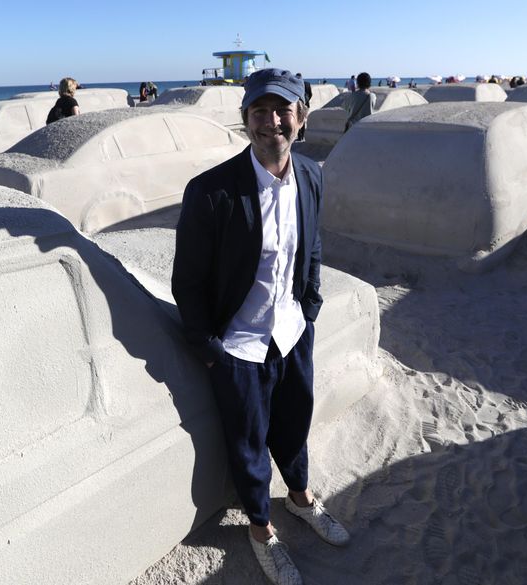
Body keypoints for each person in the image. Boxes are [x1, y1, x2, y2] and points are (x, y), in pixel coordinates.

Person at [172, 68, 350, 585]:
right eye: (259, 111)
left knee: (295, 424)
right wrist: (209, 347)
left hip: (292, 331)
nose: (271, 120)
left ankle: (299, 498)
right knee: (248, 441)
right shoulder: (212, 191)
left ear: (302, 118)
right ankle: (261, 530)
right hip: (240, 343)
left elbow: (312, 246)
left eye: (282, 110)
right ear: (245, 119)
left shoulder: (312, 175)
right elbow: (189, 279)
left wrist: (310, 306)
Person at [295, 72, 313, 141]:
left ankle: (300, 136)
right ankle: (302, 136)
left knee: (298, 119)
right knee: (303, 119)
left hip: (299, 104)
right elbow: (310, 94)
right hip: (306, 104)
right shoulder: (307, 84)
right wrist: (306, 101)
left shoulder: (296, 84)